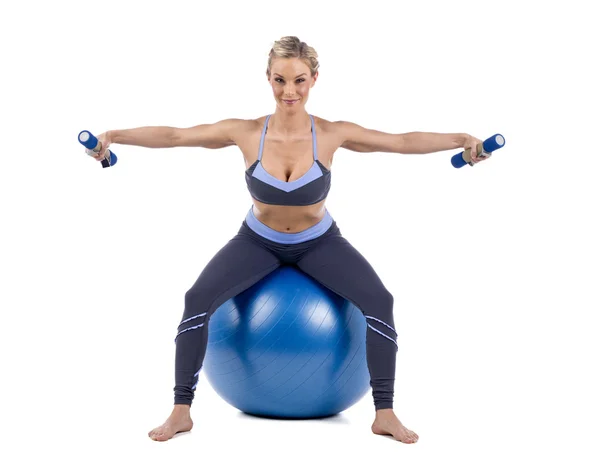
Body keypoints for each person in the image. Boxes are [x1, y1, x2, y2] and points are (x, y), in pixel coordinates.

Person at [90, 36, 487, 444]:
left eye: (299, 80)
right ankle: (180, 411)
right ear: (268, 78)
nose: (289, 91)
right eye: (279, 80)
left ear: (314, 79)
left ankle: (384, 413)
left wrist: (460, 140)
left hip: (319, 242)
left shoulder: (332, 134)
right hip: (258, 241)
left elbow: (401, 142)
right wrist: (114, 135)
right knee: (196, 299)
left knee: (380, 301)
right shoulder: (246, 133)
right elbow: (175, 136)